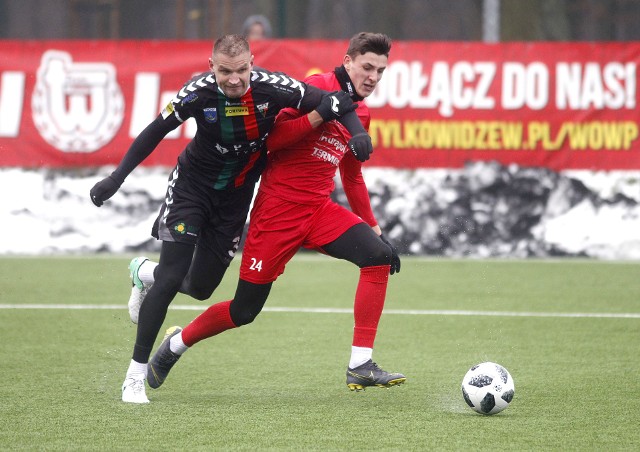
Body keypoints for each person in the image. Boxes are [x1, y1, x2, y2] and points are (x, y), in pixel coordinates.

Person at [89, 34, 373, 404]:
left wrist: (359, 132)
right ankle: (134, 377)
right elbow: (154, 131)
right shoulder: (197, 93)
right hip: (191, 190)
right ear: (212, 68)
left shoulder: (275, 87)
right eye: (225, 71)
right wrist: (116, 178)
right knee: (173, 276)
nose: (234, 79)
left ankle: (144, 272)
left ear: (252, 64)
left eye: (241, 70)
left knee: (201, 287)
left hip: (235, 199)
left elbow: (335, 101)